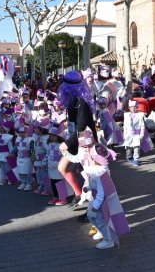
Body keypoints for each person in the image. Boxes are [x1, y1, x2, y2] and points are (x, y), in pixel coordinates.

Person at [58, 70, 97, 210]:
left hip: (85, 143)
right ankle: (78, 194)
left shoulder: (81, 101)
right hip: (77, 141)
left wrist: (67, 143)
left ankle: (93, 211)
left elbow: (81, 127)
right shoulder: (74, 99)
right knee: (63, 168)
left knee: (90, 177)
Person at [123, 100, 146, 167]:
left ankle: (136, 159)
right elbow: (125, 126)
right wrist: (124, 134)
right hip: (128, 134)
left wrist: (141, 135)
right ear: (129, 108)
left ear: (137, 107)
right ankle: (129, 157)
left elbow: (142, 125)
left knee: (137, 147)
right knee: (129, 148)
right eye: (131, 107)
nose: (133, 108)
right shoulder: (126, 115)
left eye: (135, 107)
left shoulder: (140, 115)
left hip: (137, 134)